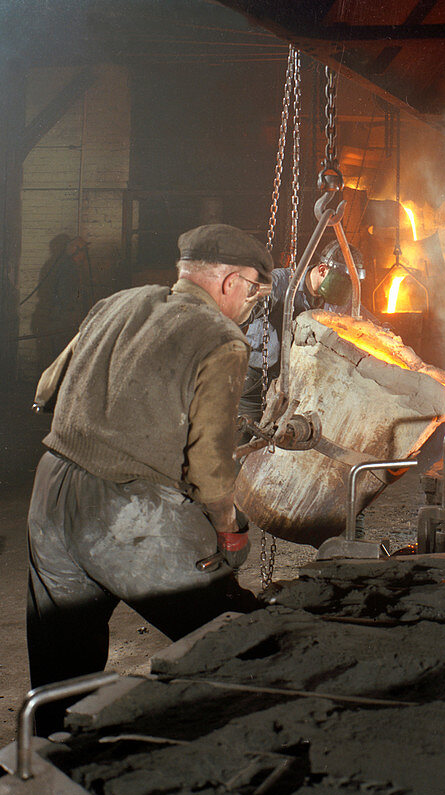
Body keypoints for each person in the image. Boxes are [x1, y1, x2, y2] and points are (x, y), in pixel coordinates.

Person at [27, 223, 270, 698]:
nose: (253, 303)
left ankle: (52, 756)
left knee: (63, 671)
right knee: (242, 638)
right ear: (230, 281)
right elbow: (208, 462)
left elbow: (46, 389)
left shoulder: (116, 302)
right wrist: (227, 525)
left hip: (50, 494)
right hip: (127, 508)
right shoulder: (222, 337)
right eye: (255, 291)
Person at [238, 240, 370, 431]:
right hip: (257, 381)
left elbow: (362, 319)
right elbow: (242, 307)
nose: (347, 290)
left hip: (295, 383)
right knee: (245, 438)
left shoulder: (336, 300)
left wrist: (383, 329)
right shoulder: (280, 282)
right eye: (345, 281)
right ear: (323, 270)